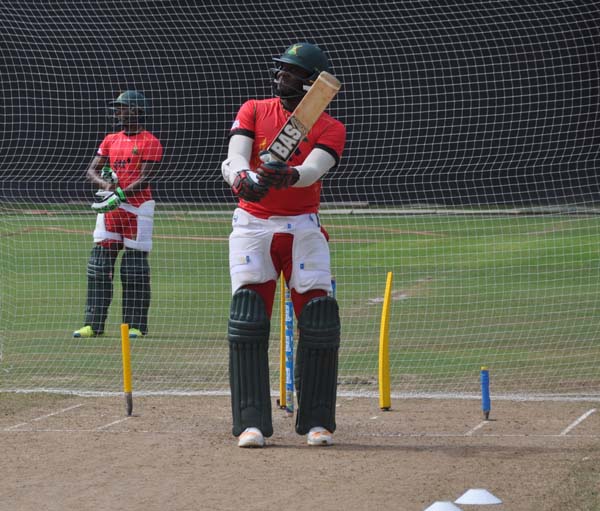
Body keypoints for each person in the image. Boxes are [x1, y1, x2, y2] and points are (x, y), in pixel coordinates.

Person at [221, 42, 346, 448]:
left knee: (319, 320)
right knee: (248, 319)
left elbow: (314, 169)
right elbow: (236, 155)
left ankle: (317, 422)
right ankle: (251, 423)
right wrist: (241, 177)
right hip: (253, 224)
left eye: (290, 73)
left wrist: (289, 175)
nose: (280, 78)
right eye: (280, 71)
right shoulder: (254, 108)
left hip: (303, 226)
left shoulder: (329, 126)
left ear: (312, 84)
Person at [73, 90, 163, 340]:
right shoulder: (111, 139)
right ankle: (93, 324)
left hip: (137, 210)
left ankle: (135, 325)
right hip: (110, 209)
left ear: (136, 110)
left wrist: (121, 195)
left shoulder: (150, 141)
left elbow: (146, 178)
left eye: (122, 107)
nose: (117, 112)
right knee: (98, 267)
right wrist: (106, 187)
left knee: (134, 270)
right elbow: (92, 170)